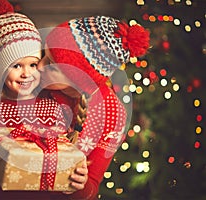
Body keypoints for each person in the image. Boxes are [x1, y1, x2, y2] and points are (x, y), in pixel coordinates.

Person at [0, 0, 88, 199]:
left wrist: (75, 170)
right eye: (16, 66)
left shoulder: (51, 103)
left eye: (33, 65)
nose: (27, 74)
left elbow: (66, 147)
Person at [37, 16, 150, 199]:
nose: (39, 66)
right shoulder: (33, 80)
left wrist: (80, 185)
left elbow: (91, 189)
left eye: (51, 65)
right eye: (44, 55)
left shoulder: (111, 115)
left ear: (77, 79)